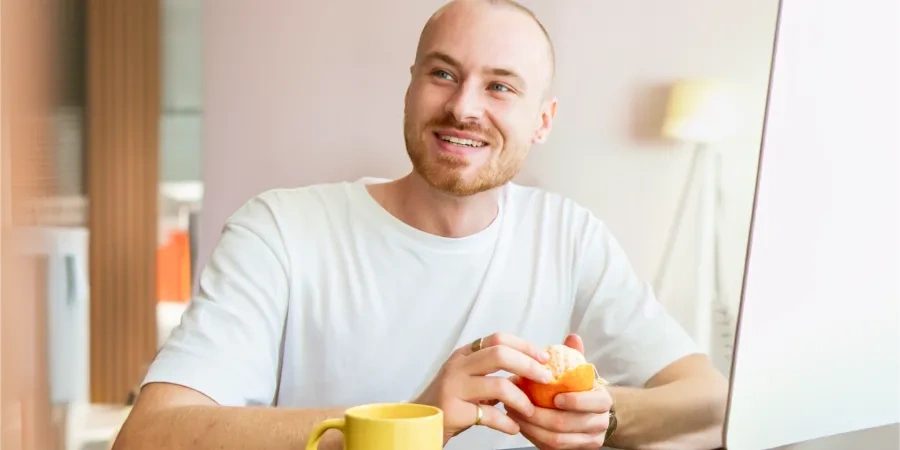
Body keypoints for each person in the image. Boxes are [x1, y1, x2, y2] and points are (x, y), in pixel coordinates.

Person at [112, 0, 729, 449]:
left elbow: (708, 399)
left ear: (543, 121)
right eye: (443, 73)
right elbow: (150, 436)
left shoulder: (569, 235)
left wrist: (604, 412)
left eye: (500, 87)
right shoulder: (280, 230)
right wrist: (409, 422)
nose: (464, 106)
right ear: (410, 89)